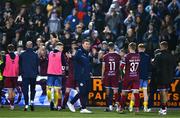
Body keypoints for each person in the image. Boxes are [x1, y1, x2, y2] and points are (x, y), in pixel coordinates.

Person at [67, 39, 92, 113]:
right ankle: (71, 103)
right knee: (82, 91)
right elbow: (74, 59)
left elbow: (86, 64)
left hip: (86, 75)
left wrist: (89, 71)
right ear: (83, 44)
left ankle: (83, 108)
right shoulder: (79, 52)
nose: (88, 45)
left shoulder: (86, 53)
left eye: (88, 44)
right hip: (81, 76)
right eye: (86, 44)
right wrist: (71, 57)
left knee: (86, 91)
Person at [154, 41, 176, 115]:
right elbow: (174, 67)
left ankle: (163, 109)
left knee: (162, 92)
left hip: (161, 77)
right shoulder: (172, 56)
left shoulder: (158, 55)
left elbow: (155, 67)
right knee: (166, 92)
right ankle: (164, 107)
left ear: (162, 46)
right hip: (170, 77)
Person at [119, 42, 140, 113]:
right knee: (136, 92)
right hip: (136, 76)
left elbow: (121, 67)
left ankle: (121, 108)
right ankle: (137, 108)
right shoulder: (138, 56)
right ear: (135, 47)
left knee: (124, 93)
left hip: (128, 77)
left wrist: (121, 76)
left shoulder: (126, 56)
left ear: (129, 48)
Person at [19, 41, 39, 111]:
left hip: (25, 75)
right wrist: (37, 73)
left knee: (25, 90)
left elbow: (20, 66)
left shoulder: (22, 55)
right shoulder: (35, 55)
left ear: (26, 46)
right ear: (32, 46)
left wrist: (21, 73)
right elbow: (37, 65)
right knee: (33, 89)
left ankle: (26, 104)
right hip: (33, 75)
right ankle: (32, 102)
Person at [102, 42, 121, 112]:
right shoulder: (118, 56)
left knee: (108, 92)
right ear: (114, 47)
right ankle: (118, 106)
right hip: (115, 75)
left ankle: (110, 106)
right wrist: (120, 75)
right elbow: (119, 68)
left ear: (108, 47)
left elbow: (103, 68)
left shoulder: (105, 56)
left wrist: (102, 76)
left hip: (107, 76)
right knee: (116, 91)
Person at [46, 42, 66, 111]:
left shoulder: (50, 53)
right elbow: (64, 64)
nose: (62, 49)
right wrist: (63, 71)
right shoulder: (61, 54)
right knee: (57, 90)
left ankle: (51, 101)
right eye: (62, 47)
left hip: (50, 74)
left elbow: (47, 62)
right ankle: (56, 105)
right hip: (58, 74)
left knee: (49, 89)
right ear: (58, 47)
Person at [2, 44, 19, 110]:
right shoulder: (17, 56)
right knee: (13, 90)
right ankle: (12, 105)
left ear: (8, 50)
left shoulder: (6, 56)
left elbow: (3, 66)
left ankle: (11, 105)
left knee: (10, 90)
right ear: (14, 49)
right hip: (15, 75)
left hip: (8, 75)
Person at [62, 41, 78, 109]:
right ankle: (63, 105)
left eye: (75, 45)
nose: (74, 46)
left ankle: (76, 104)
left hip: (77, 75)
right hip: (71, 75)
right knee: (67, 91)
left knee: (80, 91)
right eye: (73, 45)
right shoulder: (69, 53)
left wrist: (71, 58)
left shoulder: (79, 53)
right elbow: (66, 63)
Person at [138, 44, 151, 112]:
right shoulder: (147, 57)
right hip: (145, 77)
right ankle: (145, 107)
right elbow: (149, 67)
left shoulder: (136, 56)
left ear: (138, 49)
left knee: (136, 92)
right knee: (145, 92)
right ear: (144, 49)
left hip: (138, 77)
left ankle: (131, 106)